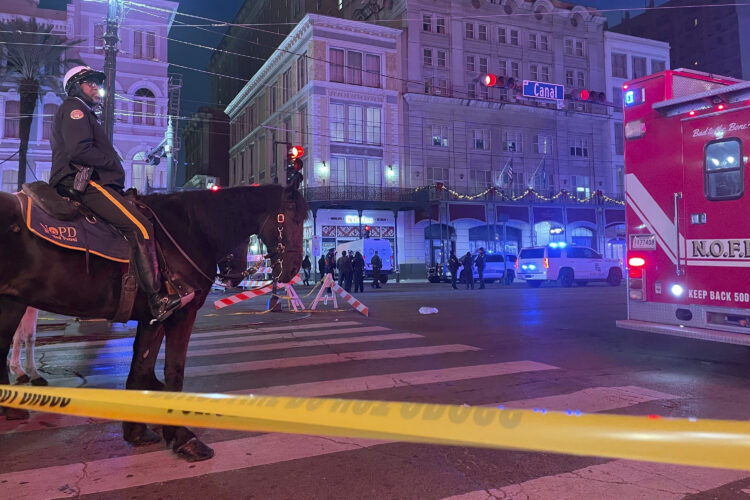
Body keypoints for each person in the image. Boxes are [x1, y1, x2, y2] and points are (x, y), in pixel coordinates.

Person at [49, 66, 186, 323]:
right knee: (142, 227)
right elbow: (79, 151)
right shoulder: (75, 110)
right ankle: (157, 299)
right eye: (89, 83)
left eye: (95, 83)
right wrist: (113, 163)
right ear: (76, 87)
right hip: (83, 181)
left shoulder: (83, 112)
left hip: (86, 179)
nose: (96, 88)